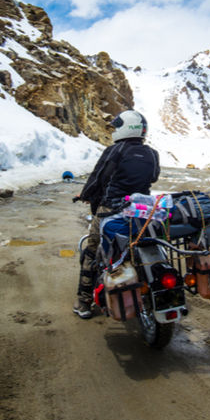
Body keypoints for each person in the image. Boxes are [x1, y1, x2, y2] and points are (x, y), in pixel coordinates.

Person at [72, 110, 160, 319]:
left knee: (92, 250)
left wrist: (85, 195)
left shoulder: (115, 150)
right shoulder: (152, 154)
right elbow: (153, 178)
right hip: (141, 210)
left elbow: (98, 178)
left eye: (117, 126)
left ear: (126, 127)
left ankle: (83, 301)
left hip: (112, 208)